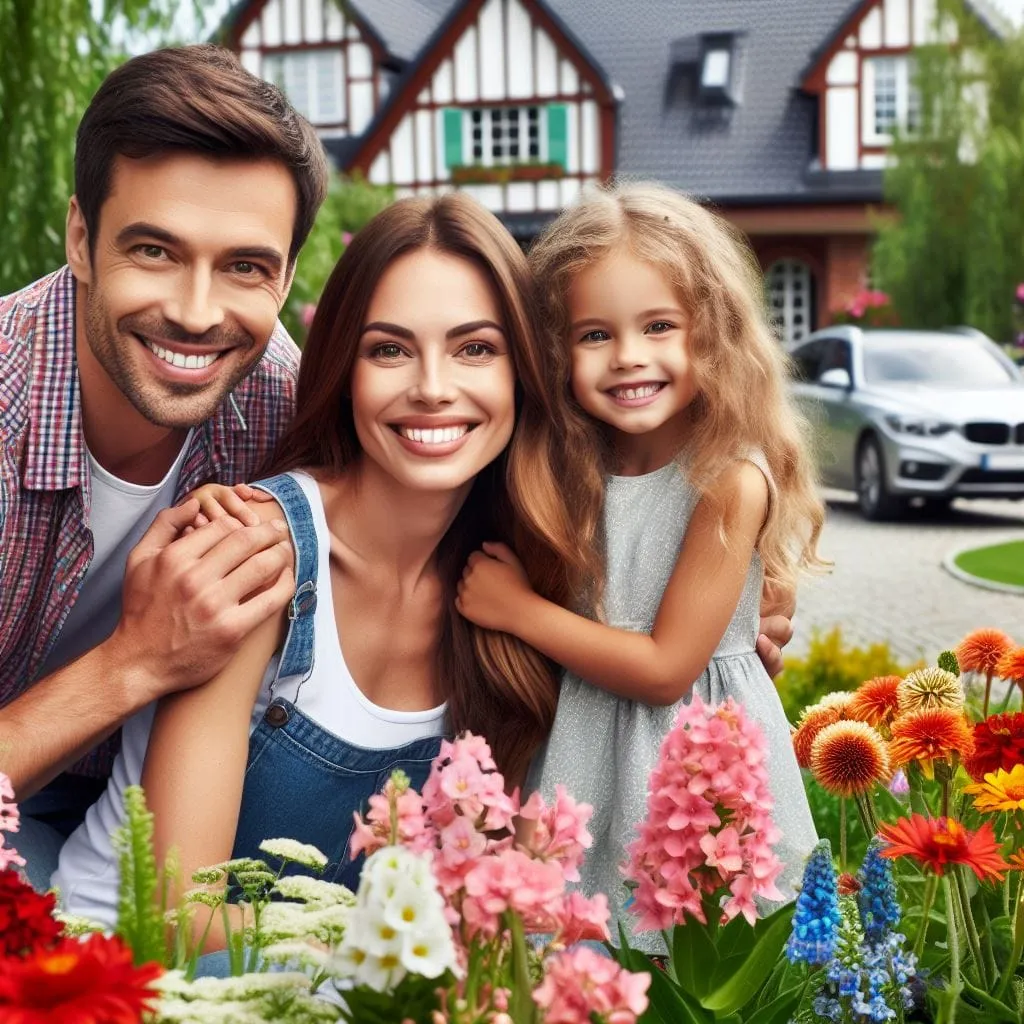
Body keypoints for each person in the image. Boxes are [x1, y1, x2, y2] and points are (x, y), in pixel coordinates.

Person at [52, 194, 593, 942]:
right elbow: (177, 918)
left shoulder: (516, 580)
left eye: (475, 349)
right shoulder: (254, 555)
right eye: (389, 350)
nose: (433, 387)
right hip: (128, 971)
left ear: (522, 374)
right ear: (344, 370)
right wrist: (409, 939)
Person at [456, 183, 825, 949]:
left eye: (660, 326)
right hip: (588, 752)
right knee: (574, 955)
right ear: (557, 350)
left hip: (690, 773)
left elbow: (664, 669)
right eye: (595, 334)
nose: (629, 357)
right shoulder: (569, 464)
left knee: (691, 958)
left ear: (715, 335)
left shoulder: (727, 476)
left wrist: (519, 609)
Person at [0, 43, 329, 890]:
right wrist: (136, 660)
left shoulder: (286, 407)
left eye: (245, 267)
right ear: (80, 235)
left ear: (289, 273)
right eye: (154, 251)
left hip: (177, 803)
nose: (195, 312)